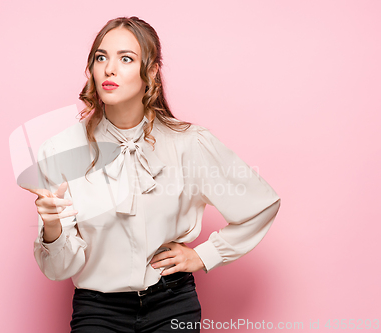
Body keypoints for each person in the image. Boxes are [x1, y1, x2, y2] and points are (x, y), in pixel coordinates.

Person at [20, 16, 281, 333]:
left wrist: (204, 255)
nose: (109, 69)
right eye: (101, 57)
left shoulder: (187, 143)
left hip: (172, 303)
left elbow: (261, 204)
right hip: (97, 309)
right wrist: (52, 228)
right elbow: (58, 269)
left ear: (152, 71)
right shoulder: (62, 150)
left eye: (125, 58)